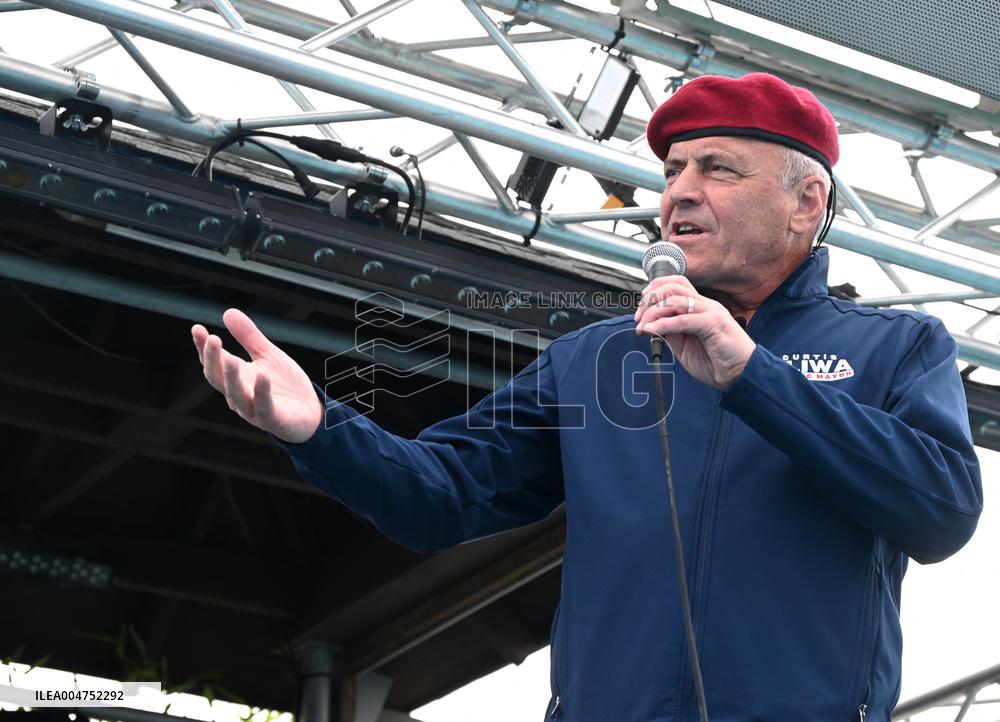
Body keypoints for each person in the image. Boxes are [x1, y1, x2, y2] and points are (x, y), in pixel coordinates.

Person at [192, 73, 982, 722]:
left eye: (717, 169)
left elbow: (942, 511)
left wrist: (755, 376)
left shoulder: (896, 347)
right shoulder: (594, 361)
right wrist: (317, 430)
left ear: (806, 202)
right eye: (673, 171)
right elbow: (438, 498)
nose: (680, 194)